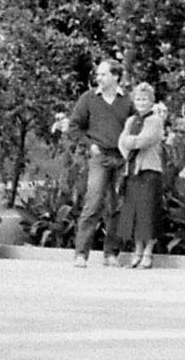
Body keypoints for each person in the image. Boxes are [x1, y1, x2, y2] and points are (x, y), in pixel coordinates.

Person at [62, 58, 135, 268]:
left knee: (117, 206)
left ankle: (111, 253)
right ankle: (81, 253)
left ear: (115, 76)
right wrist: (89, 145)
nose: (99, 78)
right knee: (93, 203)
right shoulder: (89, 98)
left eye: (103, 74)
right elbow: (75, 126)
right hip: (99, 156)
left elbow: (134, 126)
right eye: (98, 75)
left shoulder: (127, 101)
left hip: (121, 158)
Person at [116, 83, 167, 270]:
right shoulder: (131, 120)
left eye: (145, 99)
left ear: (152, 101)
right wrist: (128, 146)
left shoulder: (155, 120)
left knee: (148, 211)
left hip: (149, 170)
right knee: (134, 212)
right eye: (138, 99)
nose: (141, 103)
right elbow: (121, 142)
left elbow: (145, 140)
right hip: (133, 170)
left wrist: (131, 142)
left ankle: (148, 251)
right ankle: (137, 250)